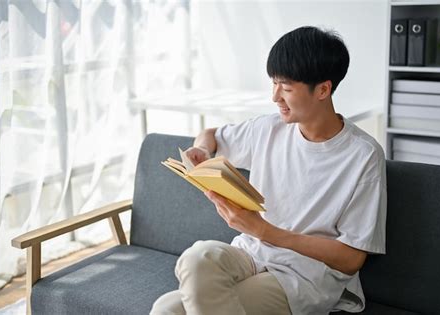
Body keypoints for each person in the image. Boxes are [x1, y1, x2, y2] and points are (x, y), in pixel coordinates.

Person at [150, 26, 387, 315]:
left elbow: (351, 258)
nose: (275, 97)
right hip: (251, 252)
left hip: (306, 274)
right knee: (196, 258)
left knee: (168, 310)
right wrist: (202, 149)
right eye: (274, 84)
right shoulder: (267, 129)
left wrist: (263, 229)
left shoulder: (363, 156)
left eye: (286, 87)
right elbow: (211, 134)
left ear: (323, 89)